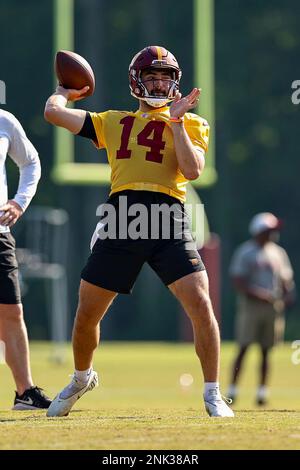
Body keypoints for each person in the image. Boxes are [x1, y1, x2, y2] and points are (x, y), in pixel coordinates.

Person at [44, 45, 234, 418]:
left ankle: (213, 392)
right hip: (121, 218)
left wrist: (176, 122)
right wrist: (64, 92)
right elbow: (53, 113)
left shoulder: (193, 123)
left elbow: (192, 171)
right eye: (152, 76)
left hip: (168, 217)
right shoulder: (113, 121)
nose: (160, 83)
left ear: (175, 83)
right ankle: (83, 376)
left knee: (201, 304)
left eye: (166, 77)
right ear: (137, 81)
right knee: (86, 315)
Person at [0, 109, 51, 409]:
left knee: (12, 311)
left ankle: (25, 392)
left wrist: (19, 202)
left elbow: (31, 162)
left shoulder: (4, 120)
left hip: (0, 232)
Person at [227, 212, 295, 405]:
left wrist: (288, 293)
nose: (272, 234)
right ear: (258, 231)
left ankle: (262, 392)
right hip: (251, 307)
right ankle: (232, 390)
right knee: (244, 347)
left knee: (266, 350)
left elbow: (285, 279)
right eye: (269, 230)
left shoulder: (278, 252)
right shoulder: (246, 252)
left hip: (273, 307)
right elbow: (238, 281)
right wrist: (259, 294)